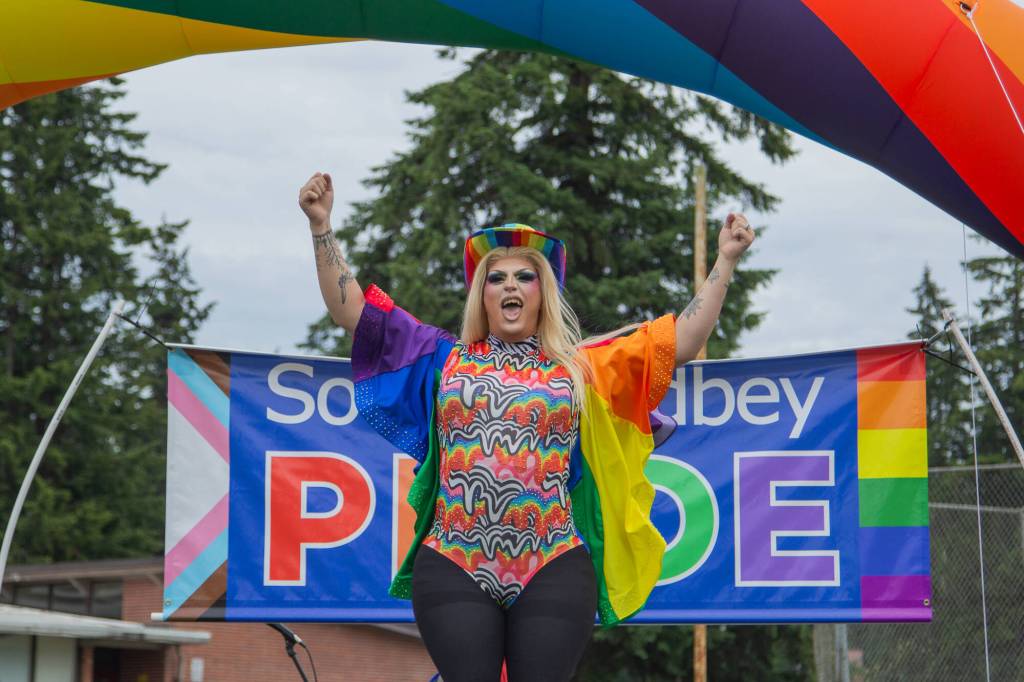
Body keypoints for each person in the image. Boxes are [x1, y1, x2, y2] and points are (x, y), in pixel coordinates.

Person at [298, 171, 754, 682]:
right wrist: (322, 226)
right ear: (483, 295)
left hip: (553, 563)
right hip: (454, 560)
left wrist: (726, 260)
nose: (510, 285)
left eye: (524, 276)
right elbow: (354, 312)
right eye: (497, 277)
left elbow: (682, 342)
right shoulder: (440, 358)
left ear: (543, 293)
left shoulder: (582, 368)